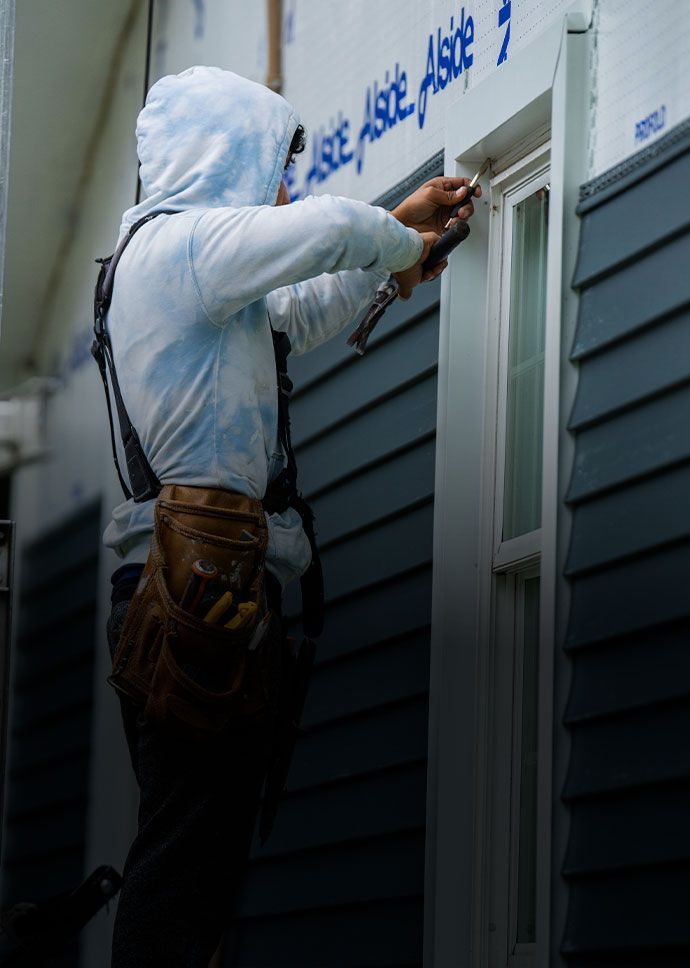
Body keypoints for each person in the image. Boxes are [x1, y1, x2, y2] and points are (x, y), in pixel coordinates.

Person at [101, 65, 480, 967]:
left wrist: (405, 239)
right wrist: (393, 235)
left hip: (208, 584)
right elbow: (331, 230)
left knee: (203, 867)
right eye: (268, 164)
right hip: (192, 586)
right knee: (183, 868)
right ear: (220, 157)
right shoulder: (175, 249)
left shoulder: (204, 276)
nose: (280, 189)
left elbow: (301, 308)